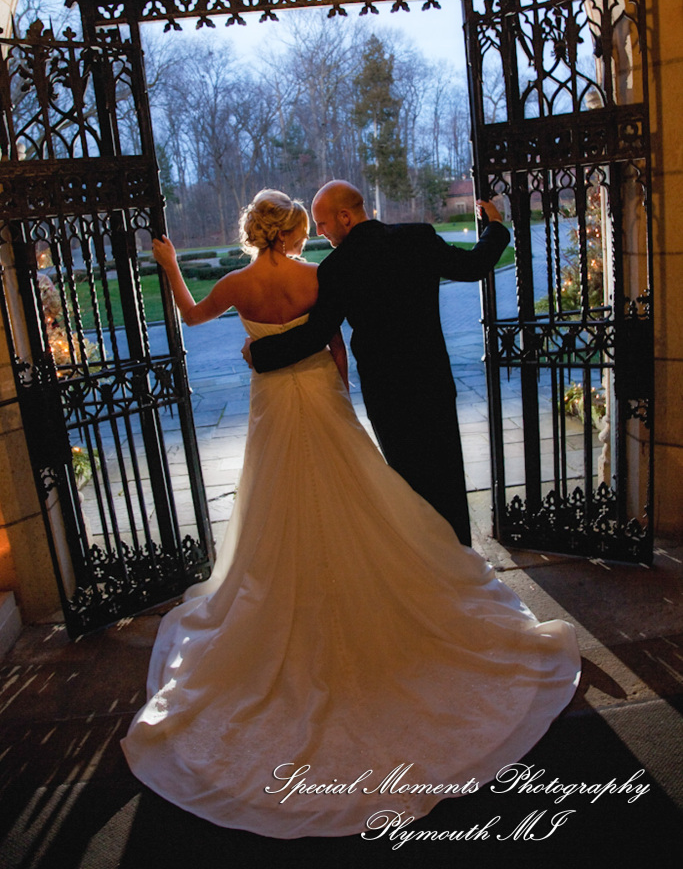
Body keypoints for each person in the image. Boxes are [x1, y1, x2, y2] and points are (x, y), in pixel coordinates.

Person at [122, 189, 580, 839]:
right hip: (394, 384)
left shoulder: (284, 275)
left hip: (316, 400)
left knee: (296, 494)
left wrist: (185, 277)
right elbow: (341, 332)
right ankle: (450, 565)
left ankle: (321, 577)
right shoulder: (366, 256)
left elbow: (238, 323)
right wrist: (498, 228)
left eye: (326, 221)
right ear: (308, 226)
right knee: (401, 490)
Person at [244, 180, 510, 547]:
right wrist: (496, 227)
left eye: (322, 223)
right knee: (446, 475)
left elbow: (315, 334)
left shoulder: (336, 268)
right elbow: (473, 265)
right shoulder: (418, 237)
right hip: (432, 382)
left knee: (406, 483)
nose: (319, 233)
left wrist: (259, 352)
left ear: (345, 216)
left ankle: (425, 562)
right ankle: (461, 560)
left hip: (386, 394)